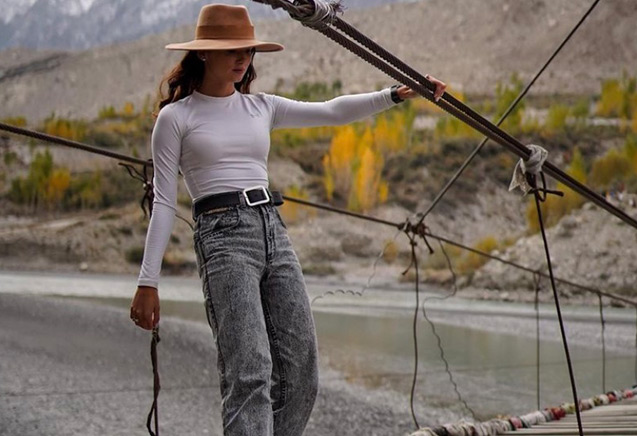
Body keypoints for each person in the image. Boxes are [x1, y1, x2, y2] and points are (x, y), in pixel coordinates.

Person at [128, 4, 446, 436]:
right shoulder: (175, 118)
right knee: (251, 370)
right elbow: (165, 201)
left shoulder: (261, 106)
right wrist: (149, 281)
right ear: (203, 53)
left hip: (273, 231)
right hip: (222, 237)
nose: (243, 59)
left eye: (248, 50)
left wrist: (393, 94)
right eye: (232, 51)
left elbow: (332, 111)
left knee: (301, 373)